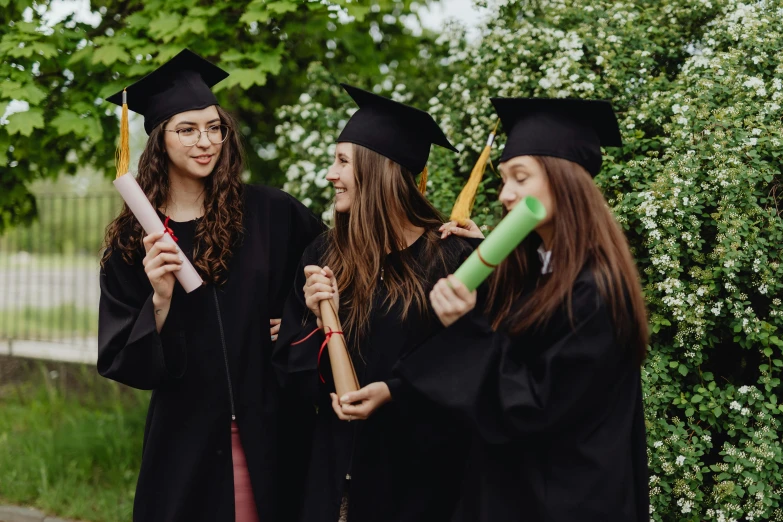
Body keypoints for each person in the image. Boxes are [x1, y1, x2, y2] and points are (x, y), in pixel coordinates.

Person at [341, 98, 651, 521]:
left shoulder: (595, 292)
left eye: (520, 178)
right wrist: (397, 389)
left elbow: (535, 407)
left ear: (565, 183)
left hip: (564, 501)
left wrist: (465, 327)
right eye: (504, 179)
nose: (505, 194)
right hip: (513, 493)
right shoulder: (536, 272)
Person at [98, 49, 323, 522]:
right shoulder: (131, 240)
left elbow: (339, 266)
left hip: (271, 428)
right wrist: (159, 298)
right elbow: (124, 358)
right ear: (159, 141)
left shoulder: (270, 213)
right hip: (185, 440)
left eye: (214, 126)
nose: (206, 141)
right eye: (187, 129)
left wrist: (300, 320)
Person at [273, 84, 474, 522]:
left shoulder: (450, 256)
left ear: (379, 170)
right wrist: (314, 317)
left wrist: (395, 393)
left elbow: (471, 364)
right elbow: (291, 372)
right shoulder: (323, 255)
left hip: (418, 479)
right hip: (333, 477)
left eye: (343, 161)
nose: (331, 174)